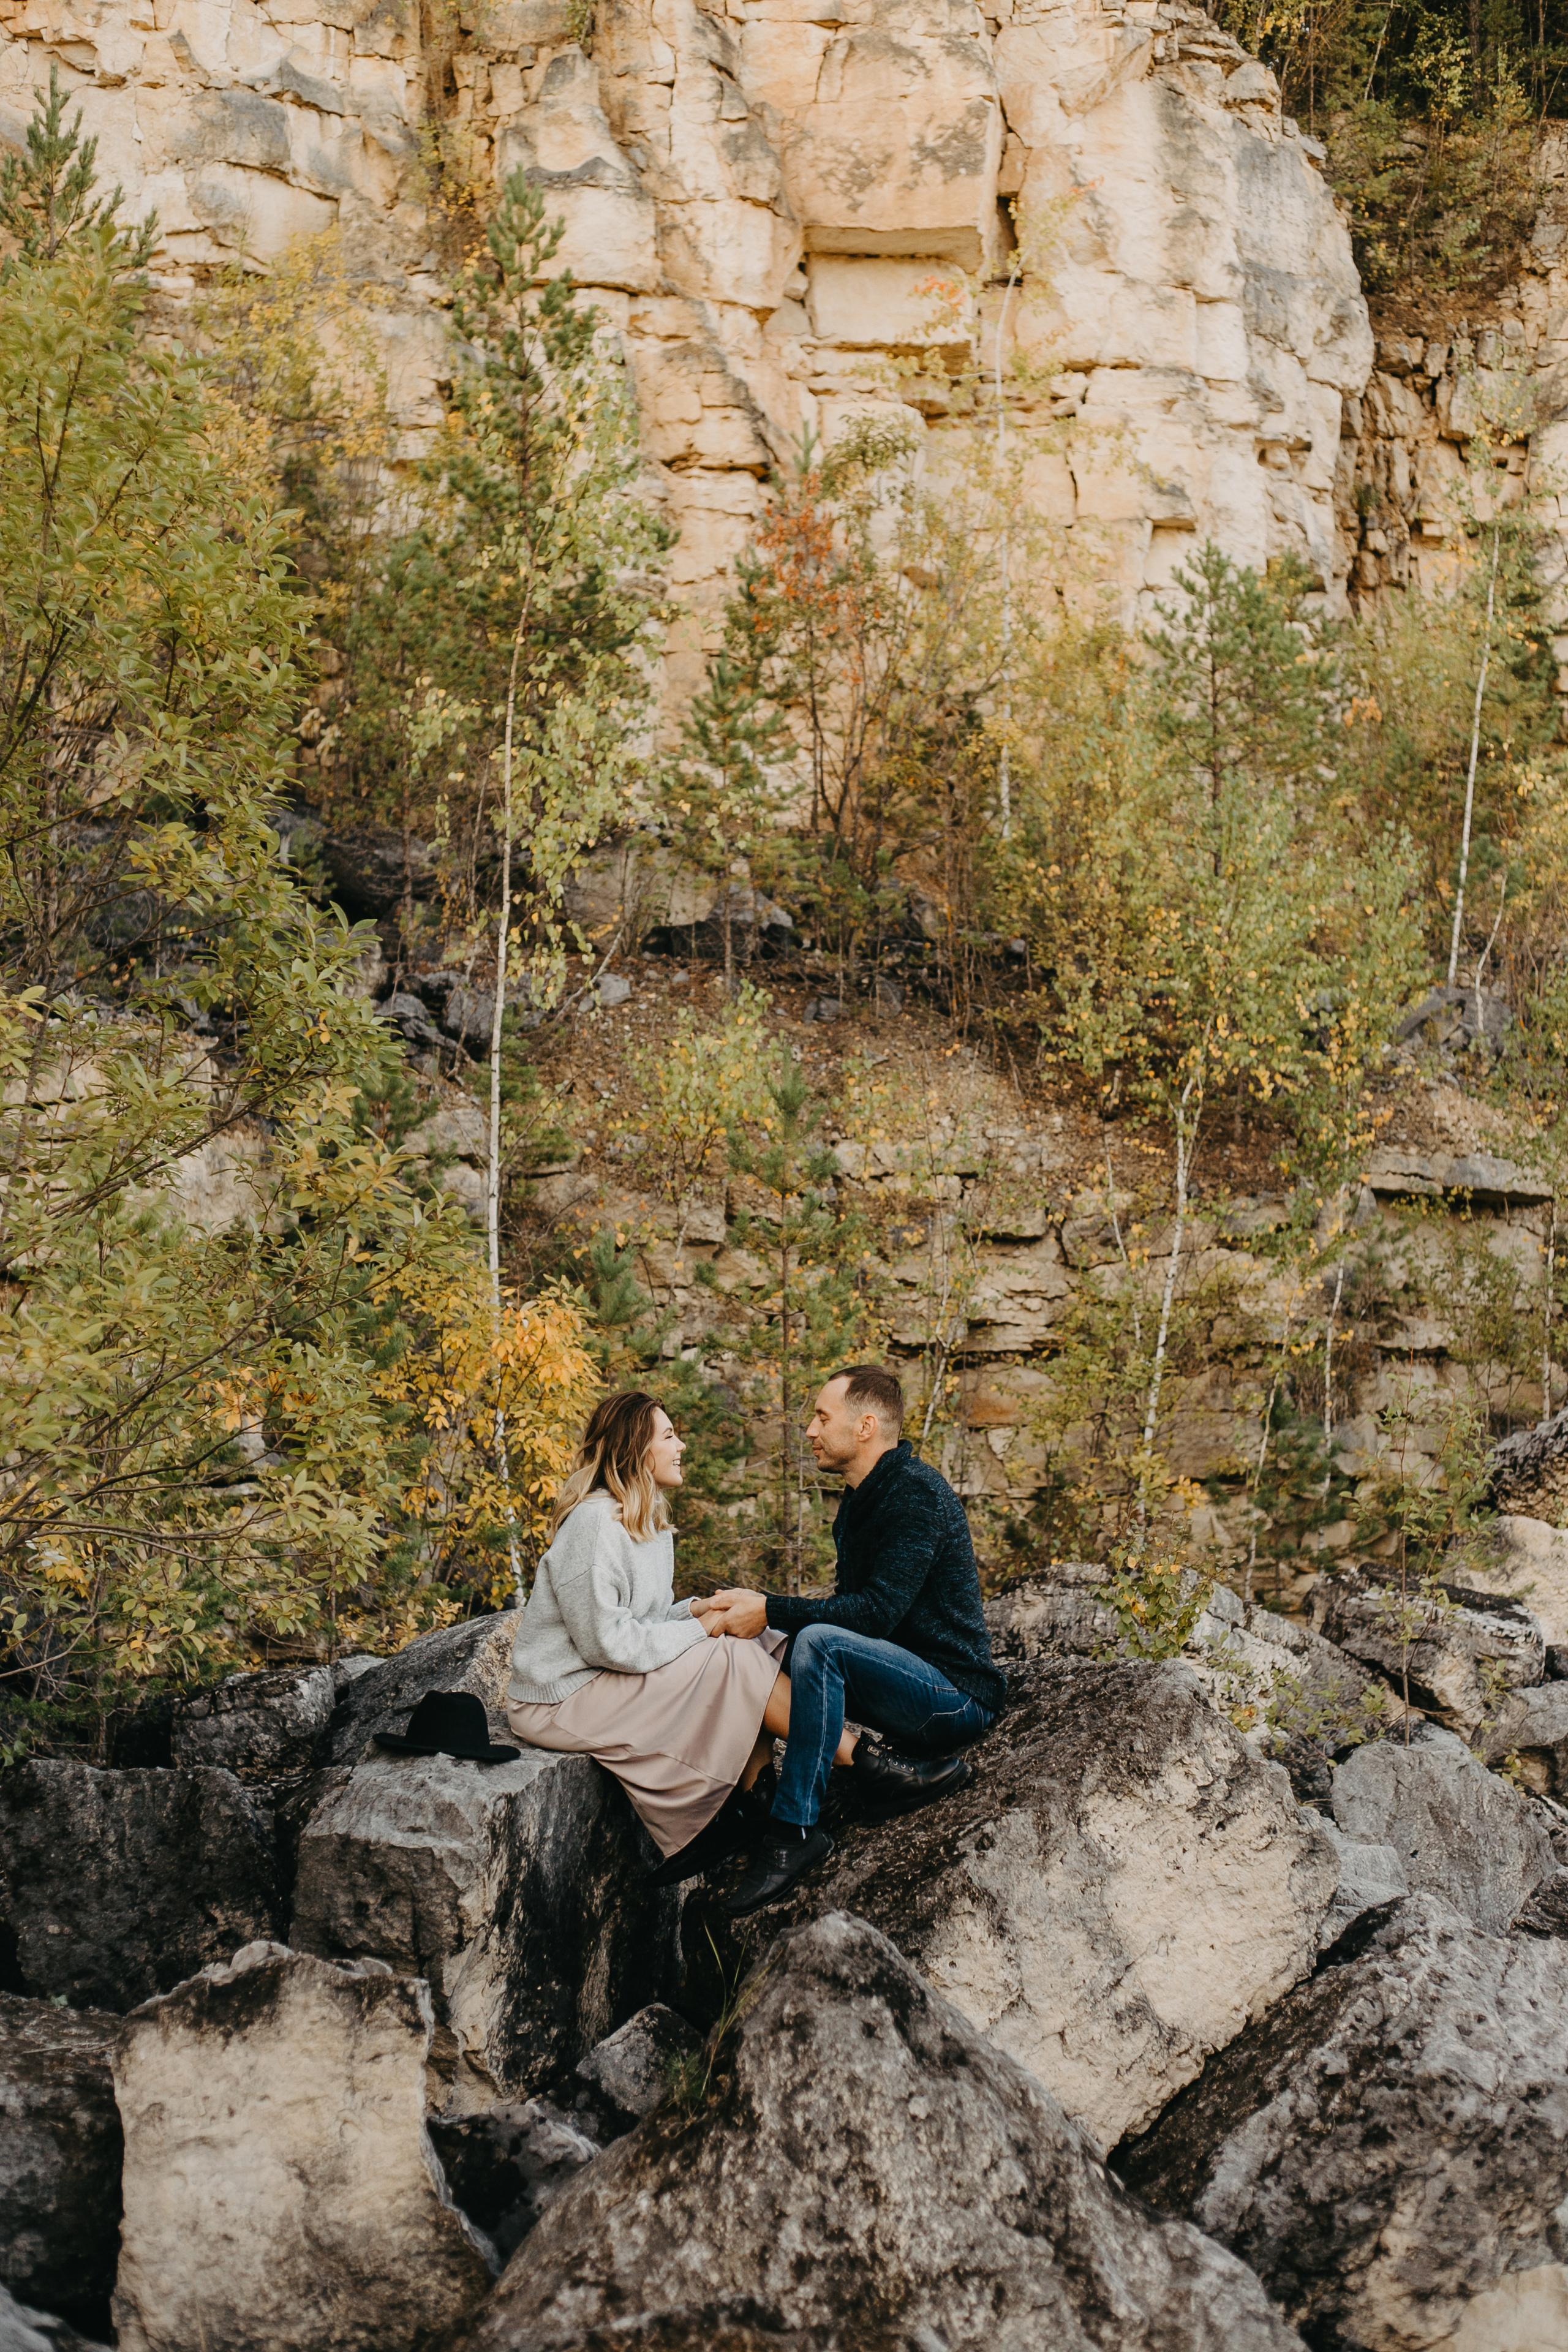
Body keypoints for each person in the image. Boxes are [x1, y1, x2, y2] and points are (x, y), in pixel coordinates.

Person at [506, 1389, 856, 1883]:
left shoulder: (646, 1520)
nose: (681, 1446)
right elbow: (609, 1644)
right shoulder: (593, 1524)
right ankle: (858, 1761)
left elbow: (641, 1620)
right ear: (635, 1452)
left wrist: (697, 1610)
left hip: (602, 1676)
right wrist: (702, 1628)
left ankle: (757, 1799)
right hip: (561, 1698)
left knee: (747, 1640)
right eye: (669, 1436)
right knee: (727, 1657)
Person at [699, 1364, 1006, 1915]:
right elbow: (850, 1616)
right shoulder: (858, 1503)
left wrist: (770, 1607)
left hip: (954, 1698)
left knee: (815, 1641)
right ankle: (758, 1798)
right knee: (748, 1648)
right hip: (899, 1682)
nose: (810, 1432)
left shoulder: (916, 1493)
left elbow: (874, 1616)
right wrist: (755, 1613)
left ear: (865, 1426)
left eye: (822, 1417)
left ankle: (794, 1834)